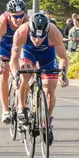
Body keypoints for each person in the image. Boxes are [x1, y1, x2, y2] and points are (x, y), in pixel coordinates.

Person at [10, 12, 69, 145]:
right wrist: (15, 76)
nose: (37, 41)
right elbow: (14, 60)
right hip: (27, 52)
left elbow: (63, 58)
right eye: (34, 37)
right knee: (24, 76)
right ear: (29, 30)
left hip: (47, 55)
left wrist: (63, 74)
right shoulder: (21, 33)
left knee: (49, 89)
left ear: (47, 32)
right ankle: (21, 108)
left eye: (41, 38)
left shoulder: (54, 33)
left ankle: (46, 122)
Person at [0, 0, 28, 124]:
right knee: (3, 73)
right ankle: (5, 110)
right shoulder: (2, 22)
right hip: (4, 46)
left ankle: (23, 103)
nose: (18, 19)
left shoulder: (27, 21)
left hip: (20, 46)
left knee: (25, 71)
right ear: (9, 14)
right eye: (15, 16)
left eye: (21, 16)